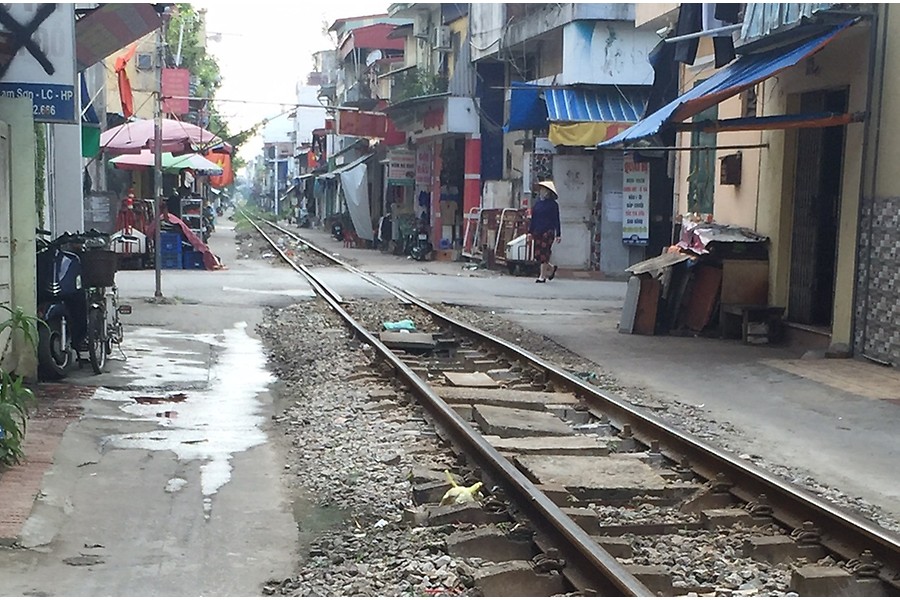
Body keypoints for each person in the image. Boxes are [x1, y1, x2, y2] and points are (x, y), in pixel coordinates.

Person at [527, 180, 561, 283]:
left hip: (548, 232)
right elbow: (534, 219)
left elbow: (556, 219)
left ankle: (542, 276)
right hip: (538, 231)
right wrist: (530, 232)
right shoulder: (538, 204)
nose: (541, 191)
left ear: (548, 192)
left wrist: (558, 234)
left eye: (543, 190)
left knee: (544, 254)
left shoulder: (553, 205)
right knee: (538, 255)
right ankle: (551, 268)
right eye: (541, 189)